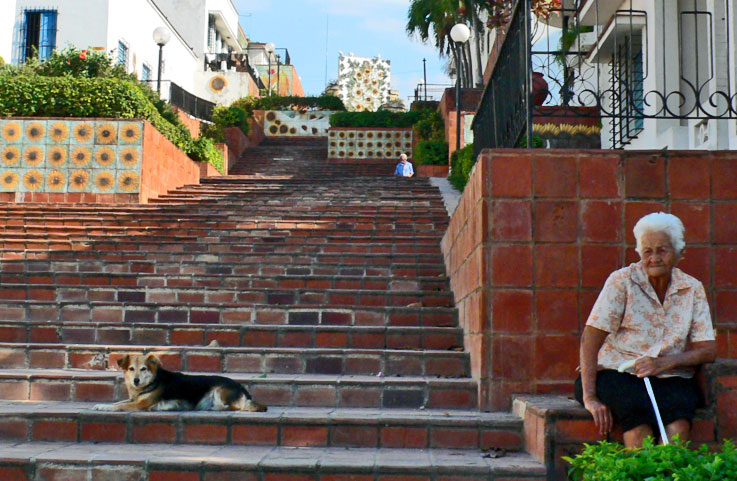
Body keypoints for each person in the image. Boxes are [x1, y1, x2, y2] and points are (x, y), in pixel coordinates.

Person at [575, 212, 716, 448]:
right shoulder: (622, 281)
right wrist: (589, 397)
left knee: (678, 425)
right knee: (638, 423)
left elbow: (707, 350)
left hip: (671, 375)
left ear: (680, 253)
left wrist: (665, 362)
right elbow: (590, 338)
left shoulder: (691, 288)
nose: (654, 258)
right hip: (617, 372)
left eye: (662, 250)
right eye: (647, 251)